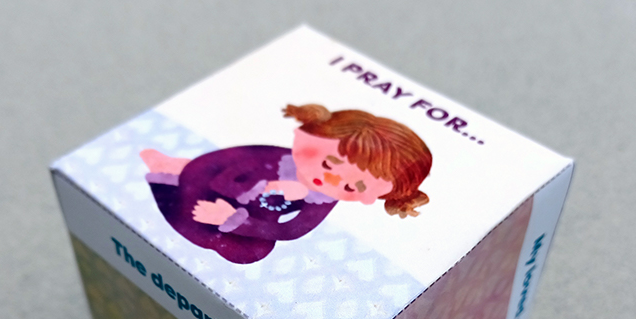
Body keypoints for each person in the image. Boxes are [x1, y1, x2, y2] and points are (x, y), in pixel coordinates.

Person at [140, 103, 433, 264]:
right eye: (328, 164)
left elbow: (291, 230)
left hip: (244, 214)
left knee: (254, 252)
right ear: (305, 138)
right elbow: (228, 168)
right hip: (213, 181)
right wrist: (247, 193)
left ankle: (183, 187)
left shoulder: (321, 201)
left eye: (351, 187)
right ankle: (169, 176)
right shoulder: (276, 160)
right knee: (190, 212)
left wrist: (235, 220)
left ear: (373, 197)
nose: (329, 180)